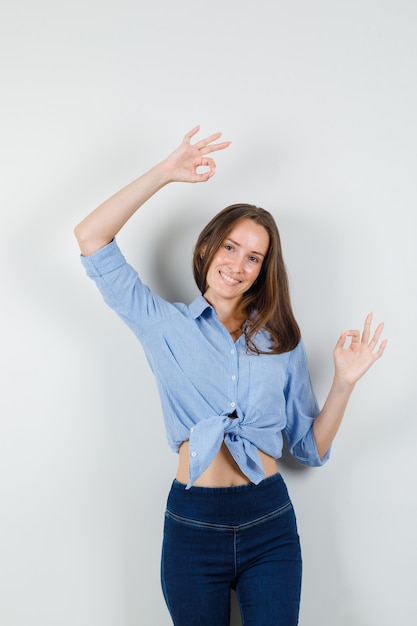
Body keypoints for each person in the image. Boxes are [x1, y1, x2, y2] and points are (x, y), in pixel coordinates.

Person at [74, 126, 387, 625]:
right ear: (206, 250)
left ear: (263, 271)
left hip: (270, 522)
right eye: (230, 248)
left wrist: (344, 383)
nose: (238, 265)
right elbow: (91, 238)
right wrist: (164, 174)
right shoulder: (164, 326)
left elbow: (308, 448)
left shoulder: (281, 340)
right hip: (192, 526)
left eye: (254, 257)